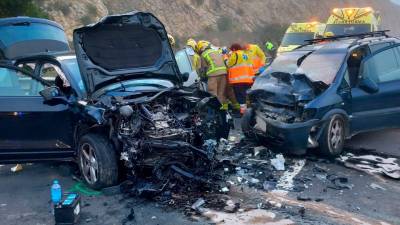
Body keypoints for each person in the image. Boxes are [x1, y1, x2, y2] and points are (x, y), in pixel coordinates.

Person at [197, 40, 232, 111]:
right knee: (221, 92)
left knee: (212, 92)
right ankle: (224, 108)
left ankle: (215, 110)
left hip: (213, 75)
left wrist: (202, 76)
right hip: (224, 73)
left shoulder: (204, 54)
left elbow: (204, 68)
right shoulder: (216, 51)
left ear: (201, 48)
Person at [225, 43, 255, 113]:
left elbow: (228, 64)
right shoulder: (246, 55)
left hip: (238, 80)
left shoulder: (235, 54)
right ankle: (252, 110)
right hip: (249, 79)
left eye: (232, 50)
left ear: (234, 49)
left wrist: (225, 57)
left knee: (240, 96)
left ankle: (244, 112)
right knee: (247, 95)